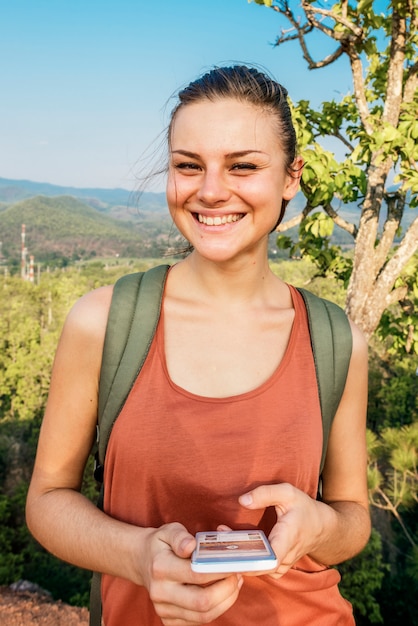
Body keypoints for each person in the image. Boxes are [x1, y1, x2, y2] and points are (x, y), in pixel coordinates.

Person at [26, 65, 371, 626]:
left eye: (244, 166)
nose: (211, 190)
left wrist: (322, 526)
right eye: (189, 166)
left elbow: (352, 516)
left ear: (291, 179)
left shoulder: (334, 340)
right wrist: (139, 556)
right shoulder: (105, 322)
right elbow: (47, 500)